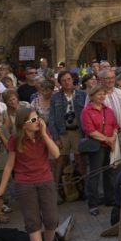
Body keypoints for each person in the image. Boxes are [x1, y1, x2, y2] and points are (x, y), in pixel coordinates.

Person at [0, 107, 60, 241]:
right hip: (24, 184)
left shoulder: (43, 134)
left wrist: (44, 134)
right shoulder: (15, 139)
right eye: (34, 120)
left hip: (45, 180)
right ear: (24, 124)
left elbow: (56, 154)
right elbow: (9, 165)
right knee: (33, 222)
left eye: (38, 117)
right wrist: (1, 190)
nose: (38, 122)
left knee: (51, 219)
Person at [81, 84, 119, 216]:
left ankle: (110, 199)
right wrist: (106, 139)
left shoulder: (108, 110)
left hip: (109, 144)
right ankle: (93, 204)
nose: (102, 96)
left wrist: (113, 138)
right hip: (96, 146)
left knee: (109, 173)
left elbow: (115, 125)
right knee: (95, 174)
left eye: (103, 94)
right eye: (99, 94)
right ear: (92, 96)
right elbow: (89, 130)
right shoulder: (87, 111)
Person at [49, 70, 87, 202]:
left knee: (80, 160)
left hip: (78, 131)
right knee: (60, 160)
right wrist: (56, 137)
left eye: (69, 79)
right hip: (63, 132)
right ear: (60, 83)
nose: (67, 82)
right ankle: (56, 191)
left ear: (72, 80)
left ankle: (83, 189)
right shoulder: (56, 98)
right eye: (64, 80)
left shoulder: (82, 94)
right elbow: (52, 118)